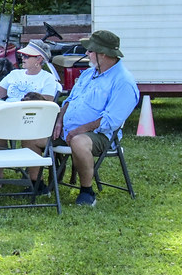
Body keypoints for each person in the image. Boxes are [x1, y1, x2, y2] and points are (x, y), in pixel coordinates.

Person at [26, 30, 139, 207]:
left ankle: (87, 191)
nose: (87, 53)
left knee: (79, 141)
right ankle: (37, 186)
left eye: (90, 51)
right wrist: (59, 120)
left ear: (103, 54)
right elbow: (70, 100)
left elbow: (111, 121)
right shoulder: (89, 73)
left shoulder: (123, 82)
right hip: (68, 128)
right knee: (30, 133)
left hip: (99, 135)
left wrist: (79, 130)